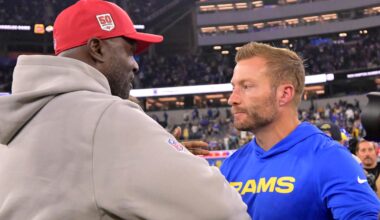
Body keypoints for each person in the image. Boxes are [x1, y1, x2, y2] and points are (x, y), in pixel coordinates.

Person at [0, 1, 249, 219]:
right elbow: (223, 210)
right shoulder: (108, 119)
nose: (135, 66)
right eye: (129, 52)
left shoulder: (17, 124)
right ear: (97, 48)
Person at [220, 42, 380, 219]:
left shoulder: (330, 159)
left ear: (284, 94)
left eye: (246, 86)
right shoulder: (231, 165)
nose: (232, 99)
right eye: (233, 87)